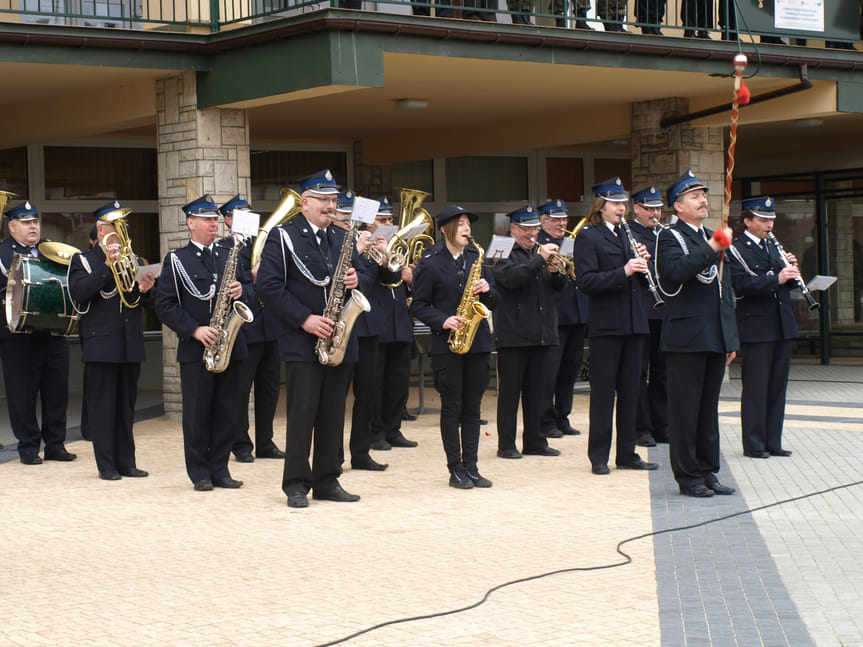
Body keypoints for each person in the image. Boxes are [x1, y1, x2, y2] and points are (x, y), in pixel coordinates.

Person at [256, 169, 369, 508]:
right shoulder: (284, 236)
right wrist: (304, 320)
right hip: (301, 339)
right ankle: (295, 484)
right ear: (305, 203)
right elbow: (268, 286)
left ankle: (327, 480)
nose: (331, 206)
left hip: (339, 338)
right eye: (324, 200)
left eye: (334, 200)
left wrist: (355, 277)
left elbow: (361, 275)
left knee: (334, 414)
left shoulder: (341, 237)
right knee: (302, 414)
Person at [154, 194, 253, 492]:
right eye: (208, 220)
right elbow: (164, 305)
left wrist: (242, 290)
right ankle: (199, 472)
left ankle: (220, 469)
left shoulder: (228, 255)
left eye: (214, 220)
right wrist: (194, 330)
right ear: (191, 223)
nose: (214, 225)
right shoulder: (177, 259)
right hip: (197, 349)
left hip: (231, 346)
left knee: (228, 411)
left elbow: (252, 288)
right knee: (197, 413)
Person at [655, 169, 738, 498]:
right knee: (685, 411)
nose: (703, 200)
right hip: (686, 338)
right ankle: (688, 477)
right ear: (678, 206)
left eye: (703, 195)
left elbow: (724, 290)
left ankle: (708, 471)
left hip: (714, 336)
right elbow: (674, 273)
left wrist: (729, 337)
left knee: (708, 410)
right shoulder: (670, 237)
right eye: (694, 196)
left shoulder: (711, 235)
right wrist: (711, 247)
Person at [411, 204, 499, 488]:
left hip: (478, 341)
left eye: (468, 223)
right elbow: (419, 305)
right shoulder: (430, 260)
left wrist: (488, 290)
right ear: (445, 229)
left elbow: (495, 301)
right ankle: (455, 469)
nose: (467, 228)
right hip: (447, 344)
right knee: (452, 407)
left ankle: (472, 466)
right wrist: (444, 320)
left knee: (473, 408)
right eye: (460, 223)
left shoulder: (477, 256)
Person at [574, 178, 657, 475]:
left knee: (632, 390)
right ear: (601, 206)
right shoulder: (589, 237)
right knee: (604, 393)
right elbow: (586, 282)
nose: (622, 209)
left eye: (624, 204)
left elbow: (636, 282)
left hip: (635, 324)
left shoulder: (627, 234)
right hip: (607, 326)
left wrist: (642, 264)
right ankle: (598, 455)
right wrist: (623, 270)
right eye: (616, 204)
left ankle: (627, 453)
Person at [68, 201, 154, 480]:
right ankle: (106, 465)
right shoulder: (82, 260)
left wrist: (145, 290)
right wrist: (106, 267)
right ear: (101, 229)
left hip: (130, 343)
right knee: (103, 408)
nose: (119, 232)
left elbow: (137, 303)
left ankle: (127, 462)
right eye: (113, 227)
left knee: (126, 408)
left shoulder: (135, 260)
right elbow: (80, 294)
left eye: (122, 226)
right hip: (101, 345)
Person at [0, 200, 76, 465]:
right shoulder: (1, 253)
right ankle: (29, 447)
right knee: (22, 394)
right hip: (19, 337)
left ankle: (55, 444)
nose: (33, 227)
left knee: (56, 391)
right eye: (26, 222)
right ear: (12, 227)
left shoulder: (51, 250)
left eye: (35, 222)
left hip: (53, 332)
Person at [492, 205, 567, 459]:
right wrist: (540, 260)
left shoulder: (538, 254)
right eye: (525, 228)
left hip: (542, 331)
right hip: (513, 334)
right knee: (510, 394)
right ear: (513, 228)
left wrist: (557, 273)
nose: (531, 233)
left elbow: (556, 287)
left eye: (534, 228)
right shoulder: (500, 248)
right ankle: (507, 444)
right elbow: (510, 279)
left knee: (538, 391)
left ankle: (535, 440)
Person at [727, 196, 798, 459]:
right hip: (757, 326)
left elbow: (785, 284)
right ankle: (754, 443)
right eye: (763, 220)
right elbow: (741, 284)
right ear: (748, 221)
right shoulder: (737, 249)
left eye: (771, 220)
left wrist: (792, 273)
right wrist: (775, 278)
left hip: (781, 324)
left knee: (777, 386)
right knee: (756, 387)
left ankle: (773, 440)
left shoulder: (774, 246)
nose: (769, 224)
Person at [219, 195, 285, 464]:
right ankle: (241, 444)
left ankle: (266, 442)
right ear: (227, 220)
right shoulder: (224, 249)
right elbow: (231, 285)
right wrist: (254, 280)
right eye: (239, 215)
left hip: (271, 326)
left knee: (269, 390)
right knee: (240, 389)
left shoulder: (265, 244)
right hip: (246, 328)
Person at [347, 196, 399, 471]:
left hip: (370, 327)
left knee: (368, 393)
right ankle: (332, 456)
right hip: (346, 326)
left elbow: (390, 280)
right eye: (381, 220)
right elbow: (349, 277)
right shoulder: (346, 243)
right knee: (337, 393)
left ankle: (361, 452)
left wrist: (386, 255)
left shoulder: (374, 245)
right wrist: (357, 249)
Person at [368, 197, 418, 453]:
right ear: (369, 223)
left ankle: (393, 428)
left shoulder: (397, 248)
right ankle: (374, 432)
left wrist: (410, 279)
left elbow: (409, 289)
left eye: (390, 220)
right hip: (377, 322)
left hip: (400, 322)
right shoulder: (365, 249)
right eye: (382, 220)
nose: (388, 224)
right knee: (375, 383)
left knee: (398, 382)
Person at [536, 199, 587, 439]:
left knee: (570, 370)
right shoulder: (539, 246)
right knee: (550, 372)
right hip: (555, 315)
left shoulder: (573, 242)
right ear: (543, 221)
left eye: (564, 219)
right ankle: (545, 420)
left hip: (577, 314)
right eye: (556, 219)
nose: (562, 223)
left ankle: (562, 416)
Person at [629, 185, 668, 446]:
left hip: (665, 309)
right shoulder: (629, 233)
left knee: (663, 373)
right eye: (649, 208)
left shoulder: (666, 234)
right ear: (637, 209)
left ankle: (662, 425)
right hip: (642, 309)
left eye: (658, 208)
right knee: (638, 372)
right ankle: (641, 427)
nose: (655, 213)